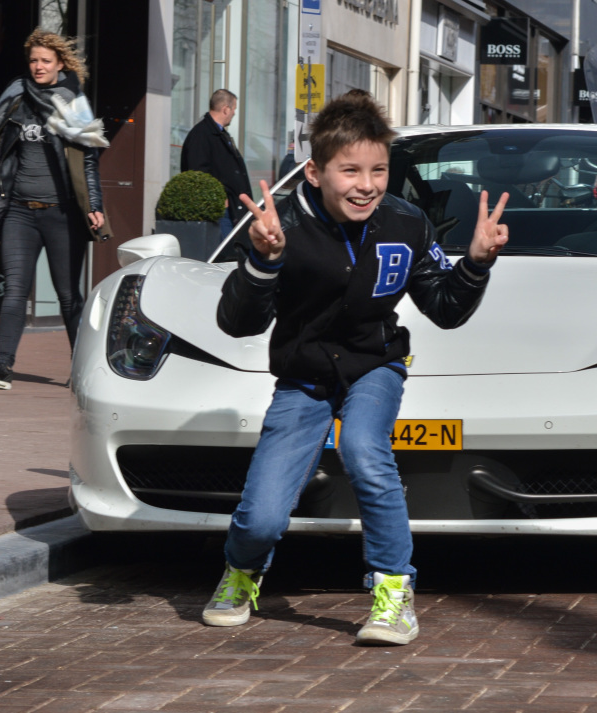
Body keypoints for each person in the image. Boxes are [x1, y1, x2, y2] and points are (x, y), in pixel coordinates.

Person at [204, 90, 509, 645]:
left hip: (375, 365)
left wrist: (476, 264)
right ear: (317, 171)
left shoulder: (407, 222)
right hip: (304, 376)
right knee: (263, 519)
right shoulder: (283, 225)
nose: (366, 185)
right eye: (349, 171)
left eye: (378, 170)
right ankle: (241, 572)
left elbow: (444, 309)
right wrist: (263, 261)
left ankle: (393, 593)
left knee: (365, 453)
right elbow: (237, 323)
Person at [0, 28, 109, 390]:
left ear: (60, 63)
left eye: (45, 61)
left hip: (62, 214)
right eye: (33, 60)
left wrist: (94, 204)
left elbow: (87, 160)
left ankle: (82, 372)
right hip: (19, 211)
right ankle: (2, 366)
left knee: (67, 296)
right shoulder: (15, 96)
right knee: (15, 289)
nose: (38, 67)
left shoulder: (72, 101)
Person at [180, 89, 252, 236]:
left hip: (229, 210)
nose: (234, 114)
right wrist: (220, 199)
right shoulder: (201, 135)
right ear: (226, 109)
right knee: (224, 254)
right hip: (218, 213)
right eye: (234, 109)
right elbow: (198, 173)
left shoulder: (219, 134)